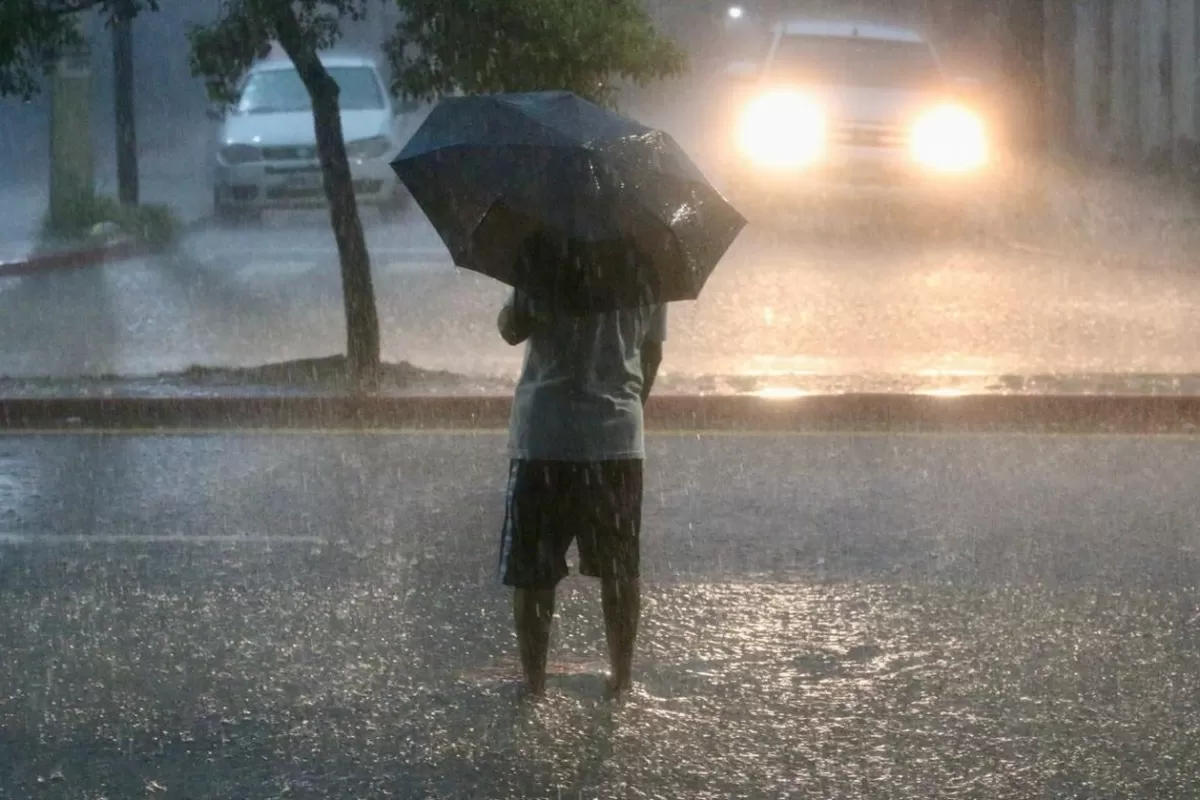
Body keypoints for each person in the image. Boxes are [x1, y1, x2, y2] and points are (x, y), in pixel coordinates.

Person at [496, 232, 666, 700]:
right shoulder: (649, 258)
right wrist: (625, 405)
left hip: (546, 434)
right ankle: (622, 679)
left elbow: (512, 329)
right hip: (617, 439)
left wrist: (518, 294)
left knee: (534, 572)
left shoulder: (542, 248)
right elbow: (651, 351)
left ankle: (533, 685)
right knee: (619, 568)